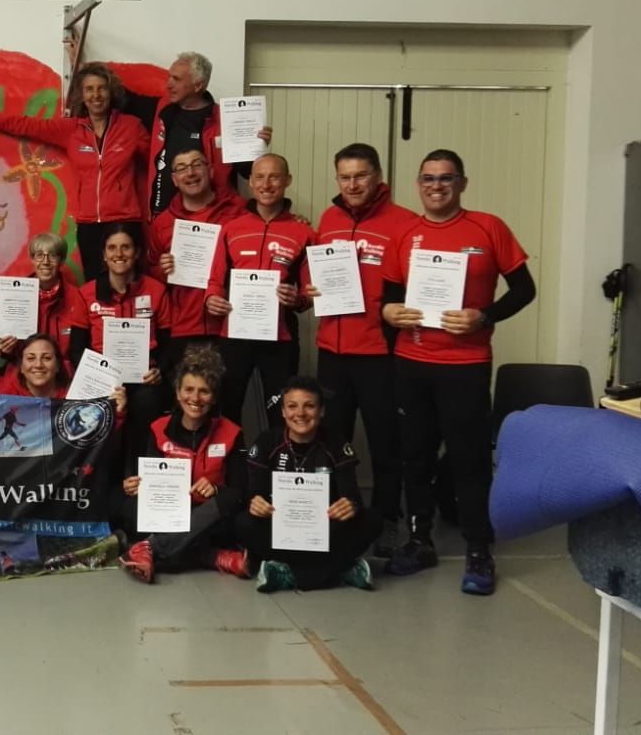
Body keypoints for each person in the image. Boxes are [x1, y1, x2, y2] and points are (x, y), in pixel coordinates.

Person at [381, 149, 536, 595]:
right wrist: (389, 312)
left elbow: (524, 290)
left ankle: (478, 550)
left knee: (470, 460)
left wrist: (483, 317)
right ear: (418, 184)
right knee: (416, 457)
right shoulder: (404, 233)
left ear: (462, 183)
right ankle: (420, 541)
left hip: (465, 366)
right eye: (428, 178)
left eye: (446, 178)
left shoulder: (488, 227)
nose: (436, 186)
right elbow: (389, 297)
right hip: (412, 362)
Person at [307, 142, 419, 558]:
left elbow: (415, 286)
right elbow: (314, 274)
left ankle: (388, 519)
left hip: (379, 352)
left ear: (378, 176)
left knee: (385, 442)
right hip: (332, 350)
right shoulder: (329, 219)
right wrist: (311, 288)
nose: (352, 184)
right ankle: (339, 516)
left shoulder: (404, 223)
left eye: (360, 176)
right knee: (331, 441)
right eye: (345, 177)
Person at [0, 63, 148, 276]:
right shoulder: (72, 130)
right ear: (82, 95)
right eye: (89, 89)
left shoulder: (131, 127)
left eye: (102, 88)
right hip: (89, 225)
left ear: (111, 92)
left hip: (124, 221)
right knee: (95, 287)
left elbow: (157, 162)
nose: (96, 95)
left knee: (129, 285)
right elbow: (24, 125)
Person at [116, 344, 248, 583]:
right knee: (129, 507)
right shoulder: (158, 428)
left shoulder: (232, 432)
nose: (195, 399)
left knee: (230, 503)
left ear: (214, 397)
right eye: (188, 389)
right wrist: (137, 486)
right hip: (170, 513)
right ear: (177, 393)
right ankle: (212, 557)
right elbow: (151, 483)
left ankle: (149, 548)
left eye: (204, 391)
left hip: (210, 517)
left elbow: (239, 490)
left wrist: (215, 489)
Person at [235, 376, 380, 593]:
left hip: (324, 529)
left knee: (373, 519)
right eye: (292, 406)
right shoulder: (267, 441)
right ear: (283, 411)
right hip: (280, 528)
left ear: (321, 411)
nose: (300, 413)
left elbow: (352, 497)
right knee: (243, 523)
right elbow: (253, 493)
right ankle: (340, 569)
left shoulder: (336, 442)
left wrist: (350, 505)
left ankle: (286, 572)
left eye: (309, 406)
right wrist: (256, 503)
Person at [211, 154, 314, 431]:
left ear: (287, 181)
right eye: (259, 177)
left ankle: (277, 459)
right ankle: (234, 460)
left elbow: (309, 293)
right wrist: (212, 299)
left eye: (274, 177)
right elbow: (215, 279)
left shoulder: (304, 232)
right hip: (235, 334)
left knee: (281, 413)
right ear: (251, 181)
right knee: (227, 410)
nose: (266, 184)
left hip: (280, 338)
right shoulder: (231, 229)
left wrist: (298, 300)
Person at [127, 52, 269, 219]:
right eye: (169, 77)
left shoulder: (226, 120)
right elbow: (121, 97)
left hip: (213, 218)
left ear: (198, 85)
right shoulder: (161, 110)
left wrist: (256, 146)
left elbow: (247, 172)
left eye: (176, 79)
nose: (168, 84)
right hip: (165, 218)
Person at [148, 146, 247, 376]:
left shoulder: (239, 211)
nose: (190, 173)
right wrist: (163, 270)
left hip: (230, 323)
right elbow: (151, 272)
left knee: (227, 395)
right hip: (184, 327)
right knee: (187, 394)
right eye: (182, 168)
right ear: (174, 179)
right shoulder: (162, 223)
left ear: (210, 171)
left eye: (196, 165)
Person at [67, 228, 172, 443]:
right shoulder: (86, 293)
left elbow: (169, 344)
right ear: (104, 255)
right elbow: (76, 349)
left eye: (126, 247)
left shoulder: (156, 290)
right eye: (112, 248)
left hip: (144, 379)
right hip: (103, 380)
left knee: (147, 402)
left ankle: (141, 462)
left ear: (137, 253)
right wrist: (96, 376)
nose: (119, 254)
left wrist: (159, 370)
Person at [0, 233, 82, 372]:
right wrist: (7, 350)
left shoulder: (77, 297)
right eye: (39, 255)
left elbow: (80, 349)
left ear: (61, 260)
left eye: (52, 255)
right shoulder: (13, 294)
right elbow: (11, 354)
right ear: (32, 259)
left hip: (63, 374)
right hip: (24, 372)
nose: (45, 262)